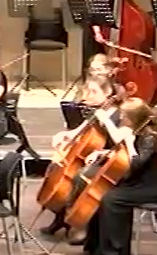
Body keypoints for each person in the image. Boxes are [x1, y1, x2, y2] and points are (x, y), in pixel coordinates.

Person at [38, 74, 123, 243]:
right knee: (56, 167)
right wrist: (63, 136)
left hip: (109, 159)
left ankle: (78, 220)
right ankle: (59, 218)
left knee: (80, 176)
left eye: (93, 91)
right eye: (87, 90)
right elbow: (77, 132)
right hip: (92, 157)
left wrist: (105, 124)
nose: (88, 95)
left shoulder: (118, 114)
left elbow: (120, 145)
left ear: (108, 93)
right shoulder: (98, 111)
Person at [82, 98, 157, 255]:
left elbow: (136, 164)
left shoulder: (150, 136)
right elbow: (123, 154)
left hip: (152, 186)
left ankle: (115, 254)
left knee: (112, 199)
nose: (121, 119)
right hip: (138, 182)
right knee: (102, 193)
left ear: (134, 118)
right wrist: (102, 153)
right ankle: (96, 247)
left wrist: (129, 143)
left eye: (124, 116)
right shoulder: (138, 130)